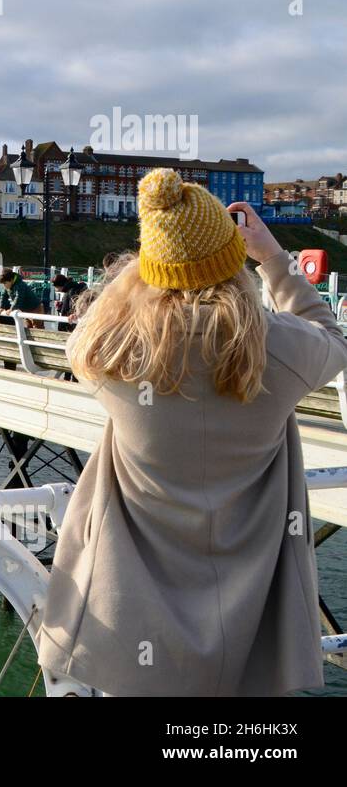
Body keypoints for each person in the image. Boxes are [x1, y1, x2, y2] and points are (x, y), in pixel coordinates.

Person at [37, 169, 347, 697]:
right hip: (247, 624)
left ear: (148, 271)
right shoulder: (279, 350)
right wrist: (271, 257)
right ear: (233, 265)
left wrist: (156, 260)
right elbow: (331, 337)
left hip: (131, 625)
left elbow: (84, 334)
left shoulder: (113, 352)